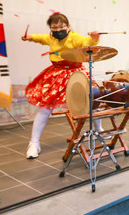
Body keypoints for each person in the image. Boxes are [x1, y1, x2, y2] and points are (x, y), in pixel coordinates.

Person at [22, 12, 103, 159]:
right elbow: (41, 38)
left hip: (76, 73)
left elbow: (86, 42)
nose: (58, 29)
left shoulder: (74, 37)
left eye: (62, 26)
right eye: (54, 27)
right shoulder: (51, 37)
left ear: (68, 26)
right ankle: (34, 143)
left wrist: (94, 38)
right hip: (56, 74)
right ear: (51, 29)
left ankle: (99, 130)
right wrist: (30, 37)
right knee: (45, 108)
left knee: (93, 101)